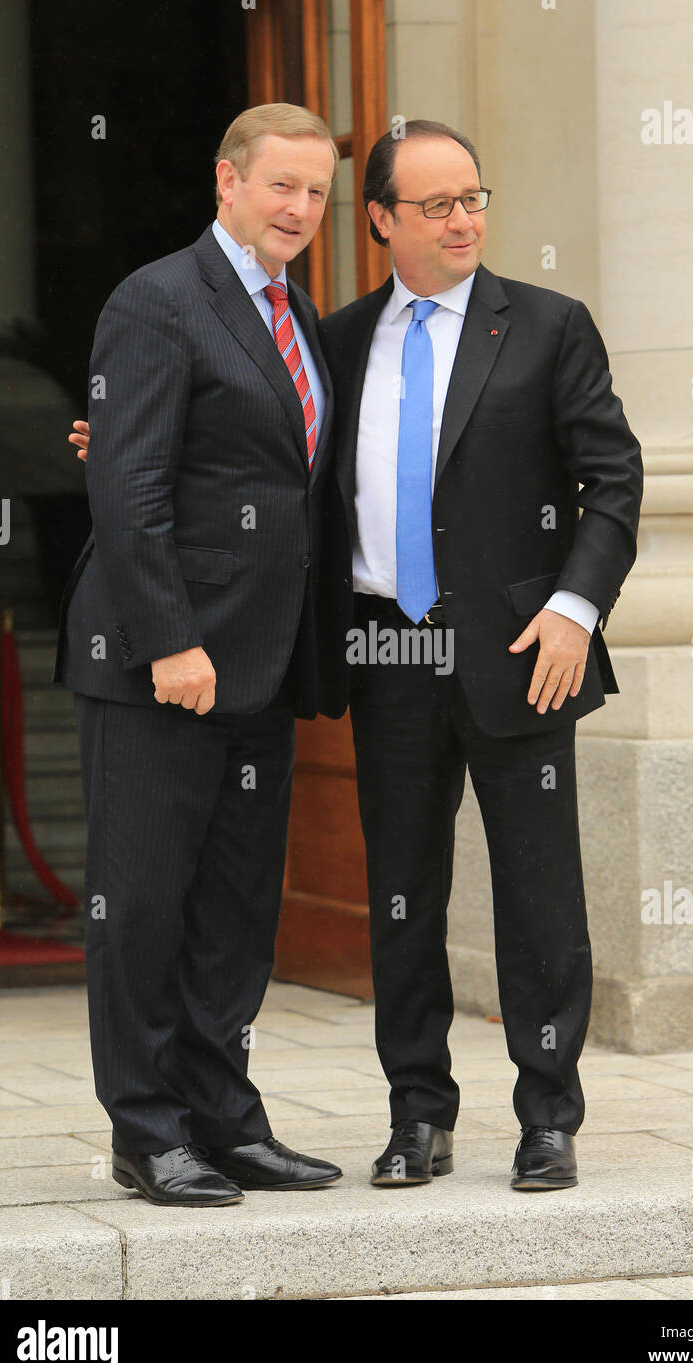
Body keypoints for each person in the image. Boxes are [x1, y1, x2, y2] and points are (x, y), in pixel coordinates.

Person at [316, 121, 643, 1190]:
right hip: (386, 648)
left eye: (473, 198)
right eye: (436, 205)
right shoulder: (338, 340)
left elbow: (613, 480)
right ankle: (417, 1115)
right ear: (379, 221)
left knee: (538, 892)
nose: (463, 220)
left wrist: (572, 608)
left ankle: (547, 1115)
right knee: (402, 891)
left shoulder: (545, 327)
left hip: (519, 647)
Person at [54, 104, 346, 1205]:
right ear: (226, 182)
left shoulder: (295, 313)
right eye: (280, 186)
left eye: (315, 192)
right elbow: (125, 487)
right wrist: (170, 639)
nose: (299, 210)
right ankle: (146, 1128)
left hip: (258, 667)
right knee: (139, 904)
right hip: (157, 666)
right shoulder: (158, 299)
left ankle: (224, 1117)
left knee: (233, 908)